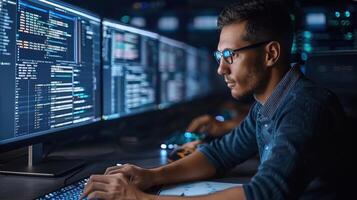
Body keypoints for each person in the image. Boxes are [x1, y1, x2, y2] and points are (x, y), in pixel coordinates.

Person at [81, 0, 344, 199]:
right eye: (220, 57)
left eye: (230, 55)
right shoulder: (268, 105)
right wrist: (151, 176)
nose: (221, 69)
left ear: (270, 54)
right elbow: (220, 154)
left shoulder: (305, 106)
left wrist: (138, 198)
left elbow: (267, 192)